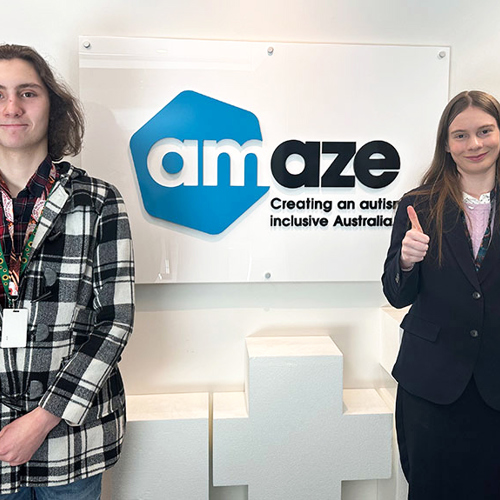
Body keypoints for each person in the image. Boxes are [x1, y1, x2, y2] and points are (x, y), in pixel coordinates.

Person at [0, 44, 134, 498]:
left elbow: (115, 320)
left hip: (72, 443)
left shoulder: (97, 200)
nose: (11, 107)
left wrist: (41, 419)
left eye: (28, 93)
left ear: (51, 105)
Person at [382, 90, 500, 499]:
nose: (475, 144)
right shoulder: (418, 205)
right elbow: (396, 295)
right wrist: (406, 261)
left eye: (485, 131)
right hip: (432, 384)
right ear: (446, 145)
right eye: (461, 135)